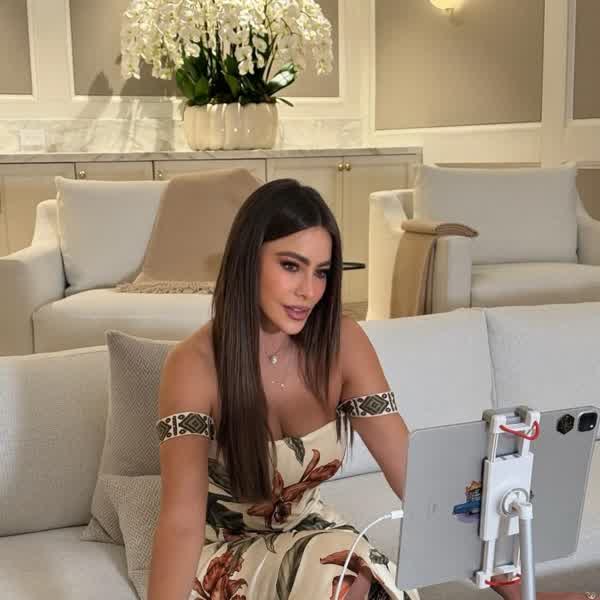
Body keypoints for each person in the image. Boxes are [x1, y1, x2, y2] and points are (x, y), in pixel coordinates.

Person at [146, 177, 594, 600]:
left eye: (322, 272)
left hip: (315, 538)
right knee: (339, 570)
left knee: (354, 569)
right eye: (290, 266)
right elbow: (182, 523)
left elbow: (419, 484)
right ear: (247, 259)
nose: (308, 291)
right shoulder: (193, 366)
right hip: (230, 555)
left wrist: (521, 593)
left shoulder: (342, 343)